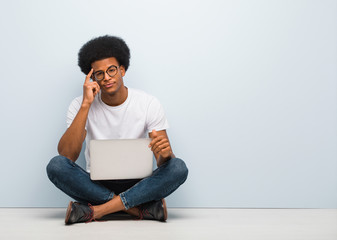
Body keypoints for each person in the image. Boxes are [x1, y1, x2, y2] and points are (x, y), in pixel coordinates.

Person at [46, 35, 188, 225]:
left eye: (111, 70)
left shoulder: (148, 103)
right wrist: (86, 104)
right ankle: (138, 209)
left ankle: (97, 211)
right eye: (99, 73)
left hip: (139, 183)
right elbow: (67, 155)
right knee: (56, 166)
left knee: (178, 167)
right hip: (97, 184)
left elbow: (163, 163)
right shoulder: (79, 105)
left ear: (122, 70)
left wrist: (165, 153)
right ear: (92, 77)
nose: (106, 78)